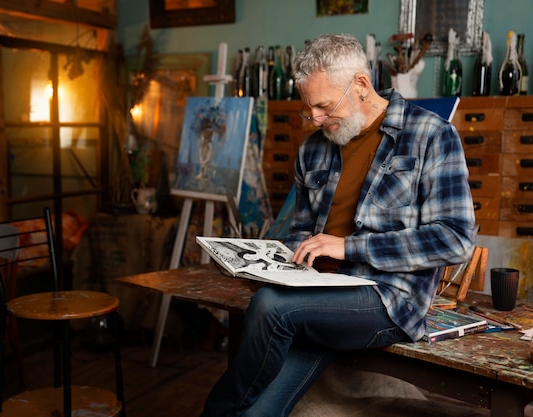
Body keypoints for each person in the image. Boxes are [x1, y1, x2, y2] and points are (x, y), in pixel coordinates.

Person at [199, 33, 476, 417]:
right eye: (307, 109)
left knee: (270, 307)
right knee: (257, 412)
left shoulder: (432, 136)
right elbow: (301, 231)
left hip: (387, 298)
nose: (314, 119)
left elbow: (456, 239)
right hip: (314, 296)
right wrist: (266, 262)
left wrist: (348, 247)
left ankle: (215, 412)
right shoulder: (312, 149)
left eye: (324, 106)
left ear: (361, 85)